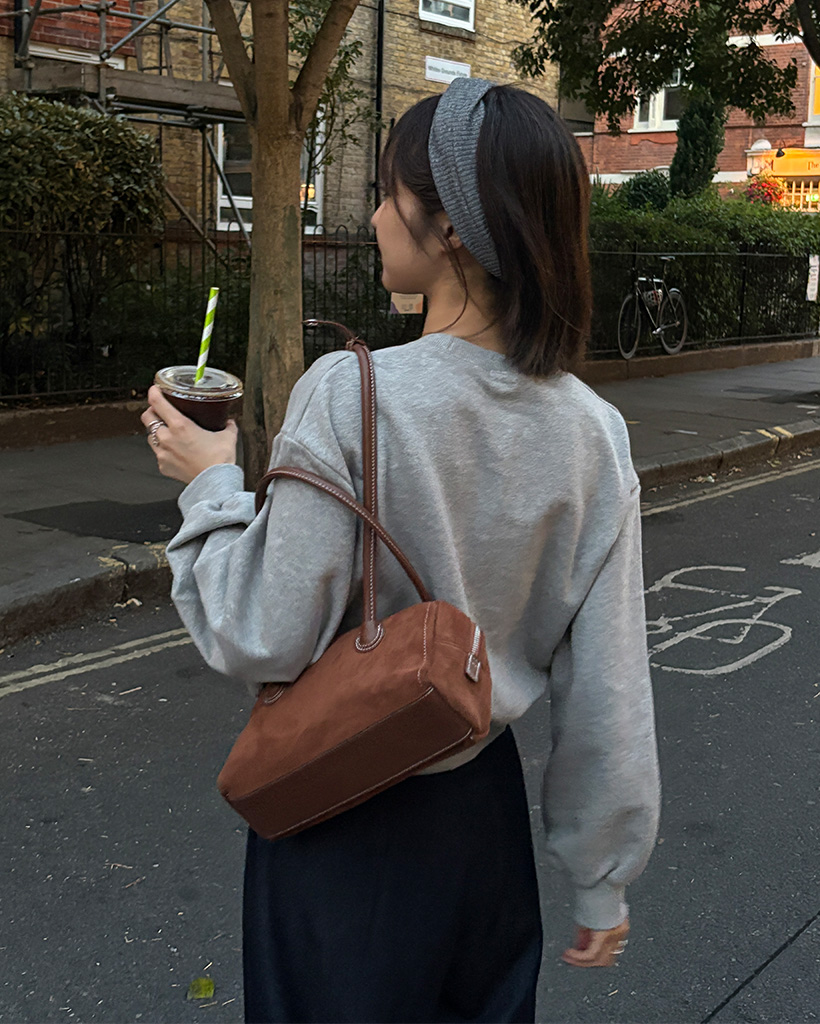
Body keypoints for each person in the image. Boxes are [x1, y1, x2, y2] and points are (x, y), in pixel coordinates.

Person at [141, 78, 660, 1024]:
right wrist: (602, 881)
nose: (376, 216)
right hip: (481, 824)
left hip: (341, 809)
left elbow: (259, 635)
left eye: (388, 193)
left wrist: (209, 483)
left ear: (450, 222)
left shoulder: (352, 394)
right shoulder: (594, 432)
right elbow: (609, 690)